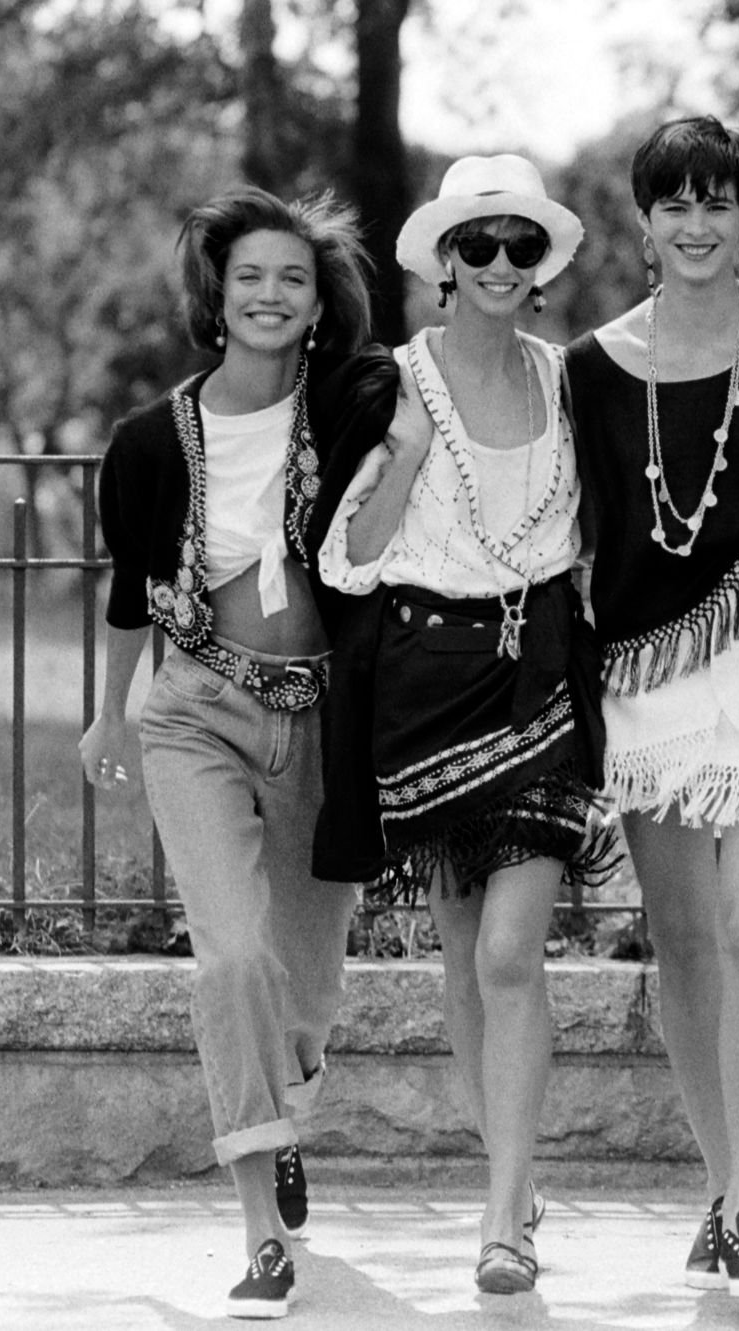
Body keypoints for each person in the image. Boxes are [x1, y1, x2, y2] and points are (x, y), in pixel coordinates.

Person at [80, 186, 396, 1319]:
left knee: (306, 984)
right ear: (217, 296)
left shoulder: (356, 402)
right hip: (196, 710)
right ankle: (262, 1228)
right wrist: (110, 713)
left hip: (323, 719)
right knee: (231, 959)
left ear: (318, 303)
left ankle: (286, 1101)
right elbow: (131, 593)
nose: (270, 295)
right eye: (250, 276)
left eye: (292, 279)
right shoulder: (147, 440)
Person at [564, 115, 739, 1296]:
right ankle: (719, 1180)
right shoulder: (587, 368)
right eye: (672, 203)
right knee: (680, 937)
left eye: (715, 202)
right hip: (645, 671)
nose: (694, 224)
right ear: (643, 220)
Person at [316, 154, 604, 1296]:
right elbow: (348, 556)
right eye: (475, 244)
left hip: (540, 678)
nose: (497, 262)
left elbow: (593, 531)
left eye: (518, 245)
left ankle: (503, 1219)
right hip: (425, 681)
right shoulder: (394, 380)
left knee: (508, 952)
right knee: (460, 948)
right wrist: (407, 452)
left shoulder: (568, 380)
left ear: (540, 264)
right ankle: (510, 1179)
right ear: (445, 259)